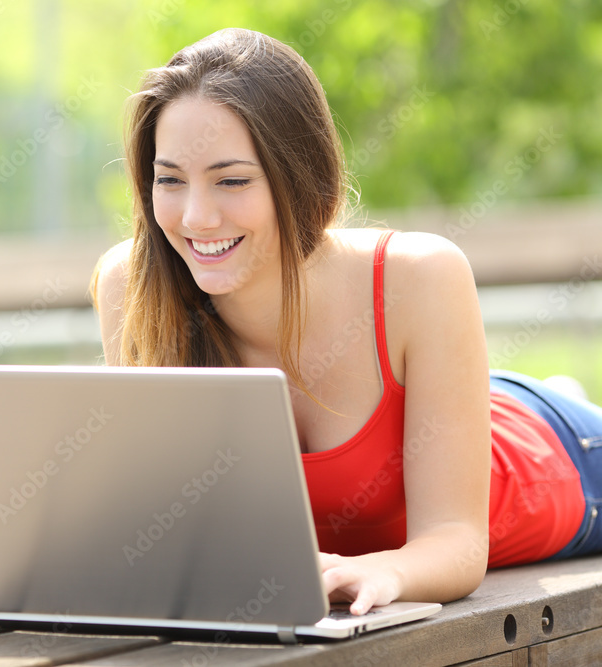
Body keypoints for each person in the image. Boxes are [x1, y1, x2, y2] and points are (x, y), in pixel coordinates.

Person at [90, 27, 602, 616]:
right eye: (170, 179)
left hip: (564, 458)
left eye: (232, 180)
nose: (197, 216)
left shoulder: (419, 275)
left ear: (304, 176)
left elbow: (459, 544)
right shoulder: (133, 289)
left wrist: (386, 570)